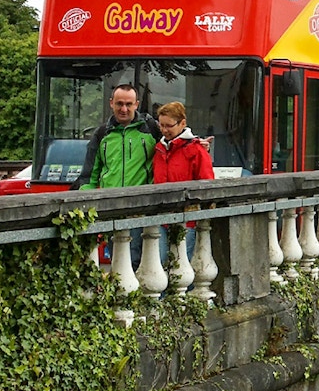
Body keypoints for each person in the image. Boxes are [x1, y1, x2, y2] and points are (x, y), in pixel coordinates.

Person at [75, 84, 161, 268]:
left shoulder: (150, 129)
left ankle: (132, 297)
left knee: (135, 260)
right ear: (111, 104)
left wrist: (198, 144)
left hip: (141, 205)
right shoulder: (101, 134)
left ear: (137, 104)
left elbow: (175, 140)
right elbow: (89, 176)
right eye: (119, 104)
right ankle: (124, 297)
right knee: (118, 261)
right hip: (111, 207)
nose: (124, 109)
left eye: (129, 104)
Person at [153, 102, 215, 266]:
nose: (165, 130)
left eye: (169, 126)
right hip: (161, 217)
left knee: (181, 264)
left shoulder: (196, 150)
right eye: (162, 125)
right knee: (158, 263)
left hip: (187, 219)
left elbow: (207, 185)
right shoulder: (159, 148)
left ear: (182, 123)